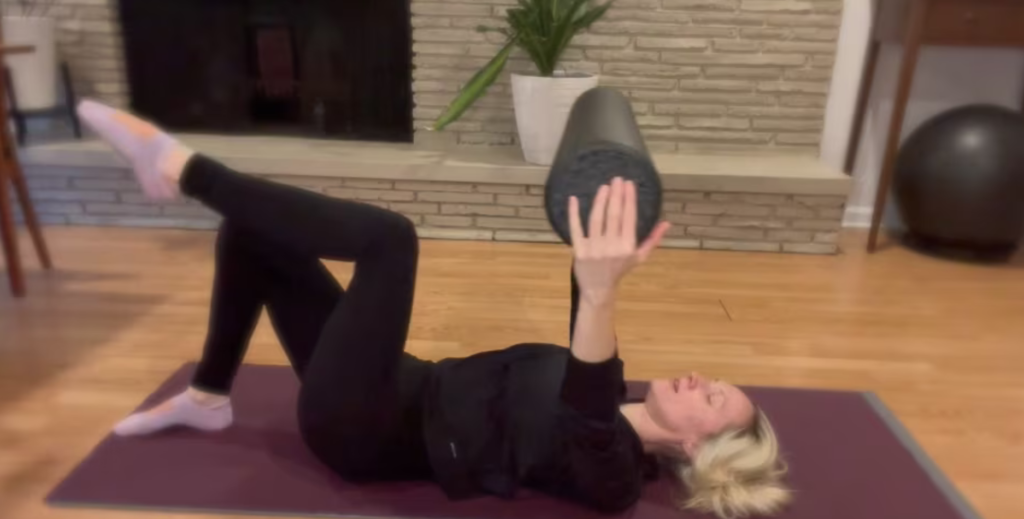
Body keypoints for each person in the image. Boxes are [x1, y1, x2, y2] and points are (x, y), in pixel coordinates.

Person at [77, 100, 791, 519]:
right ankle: (209, 394)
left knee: (391, 240)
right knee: (257, 231)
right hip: (398, 378)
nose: (701, 376)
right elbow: (589, 339)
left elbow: (587, 408)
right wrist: (598, 231)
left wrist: (601, 293)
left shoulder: (611, 477)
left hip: (365, 429)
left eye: (713, 396)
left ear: (698, 447)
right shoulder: (608, 383)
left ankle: (181, 167)